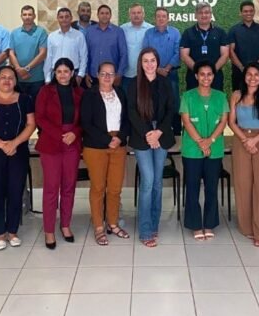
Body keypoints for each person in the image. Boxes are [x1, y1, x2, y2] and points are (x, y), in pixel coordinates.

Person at [0, 66, 36, 251]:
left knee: (15, 191)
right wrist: (3, 145)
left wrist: (14, 143)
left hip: (18, 152)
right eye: (3, 77)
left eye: (11, 77)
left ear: (15, 81)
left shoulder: (25, 100)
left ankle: (13, 231)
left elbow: (31, 124)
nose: (7, 81)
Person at [128, 48, 176, 247]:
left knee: (157, 182)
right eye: (145, 61)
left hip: (161, 135)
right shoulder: (134, 84)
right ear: (140, 63)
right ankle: (145, 230)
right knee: (147, 182)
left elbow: (171, 110)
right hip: (142, 136)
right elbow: (131, 111)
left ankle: (154, 224)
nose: (149, 64)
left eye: (152, 60)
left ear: (157, 62)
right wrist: (149, 133)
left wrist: (158, 132)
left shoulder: (166, 82)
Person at [35, 58, 84, 248]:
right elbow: (40, 117)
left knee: (69, 187)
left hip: (72, 142)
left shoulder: (79, 92)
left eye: (66, 71)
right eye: (59, 71)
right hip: (51, 142)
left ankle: (65, 225)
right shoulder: (45, 91)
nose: (63, 75)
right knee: (51, 188)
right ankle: (49, 230)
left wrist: (75, 133)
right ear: (54, 73)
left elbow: (84, 119)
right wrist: (59, 134)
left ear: (72, 73)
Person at [80, 61, 131, 246]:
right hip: (96, 146)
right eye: (104, 73)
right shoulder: (89, 94)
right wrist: (106, 140)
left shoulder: (120, 92)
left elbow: (127, 119)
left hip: (118, 145)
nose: (107, 77)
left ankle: (113, 223)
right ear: (97, 75)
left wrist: (120, 138)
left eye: (111, 74)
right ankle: (98, 227)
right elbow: (85, 123)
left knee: (115, 188)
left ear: (115, 76)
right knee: (98, 187)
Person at [228, 62, 259, 247]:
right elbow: (231, 122)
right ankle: (246, 227)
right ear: (244, 76)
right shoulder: (236, 95)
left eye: (256, 75)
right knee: (243, 184)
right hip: (241, 140)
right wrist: (245, 140)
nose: (253, 78)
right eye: (249, 74)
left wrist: (254, 140)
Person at [180, 61, 229, 240]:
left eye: (209, 74)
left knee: (211, 187)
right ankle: (194, 224)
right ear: (196, 76)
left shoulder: (221, 96)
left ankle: (209, 223)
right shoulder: (187, 96)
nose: (206, 77)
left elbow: (223, 121)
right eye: (202, 74)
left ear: (213, 77)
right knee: (192, 188)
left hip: (214, 149)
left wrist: (210, 141)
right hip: (192, 149)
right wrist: (201, 143)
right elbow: (186, 121)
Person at [143, 7, 181, 135]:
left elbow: (178, 52)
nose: (161, 18)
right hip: (152, 74)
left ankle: (176, 132)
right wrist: (157, 69)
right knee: (154, 102)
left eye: (163, 16)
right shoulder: (148, 33)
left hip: (171, 74)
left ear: (168, 18)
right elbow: (145, 52)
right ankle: (155, 132)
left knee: (173, 102)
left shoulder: (175, 33)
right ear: (155, 18)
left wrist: (167, 68)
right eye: (158, 16)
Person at [180, 1, 229, 91]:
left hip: (215, 77)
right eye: (200, 13)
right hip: (194, 77)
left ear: (211, 14)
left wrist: (211, 72)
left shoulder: (220, 32)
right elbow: (184, 55)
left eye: (206, 12)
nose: (204, 15)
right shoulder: (188, 33)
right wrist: (199, 72)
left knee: (216, 99)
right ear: (196, 15)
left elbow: (225, 55)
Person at [8, 5, 48, 101]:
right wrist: (19, 69)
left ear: (34, 16)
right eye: (24, 14)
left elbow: (43, 54)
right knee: (20, 106)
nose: (27, 17)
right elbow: (11, 53)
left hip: (37, 78)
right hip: (19, 78)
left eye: (30, 14)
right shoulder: (14, 33)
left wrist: (26, 69)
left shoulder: (41, 32)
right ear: (21, 16)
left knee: (36, 106)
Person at [228, 0, 259, 89]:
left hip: (257, 73)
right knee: (239, 96)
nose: (248, 13)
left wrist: (256, 67)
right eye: (245, 11)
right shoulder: (233, 30)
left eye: (251, 11)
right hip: (239, 72)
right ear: (240, 13)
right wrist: (241, 67)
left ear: (254, 12)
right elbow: (230, 51)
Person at [84, 4, 128, 87]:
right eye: (102, 13)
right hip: (94, 75)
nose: (104, 15)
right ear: (97, 15)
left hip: (112, 76)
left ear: (110, 15)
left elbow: (124, 54)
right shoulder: (90, 31)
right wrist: (86, 73)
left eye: (107, 13)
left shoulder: (118, 31)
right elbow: (86, 54)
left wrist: (119, 74)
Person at [44, 7, 88, 85]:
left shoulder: (79, 35)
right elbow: (48, 58)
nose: (64, 19)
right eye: (61, 17)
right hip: (56, 74)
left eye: (67, 17)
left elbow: (83, 56)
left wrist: (80, 75)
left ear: (71, 18)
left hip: (74, 74)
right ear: (57, 19)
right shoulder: (52, 36)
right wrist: (47, 77)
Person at [120, 3, 153, 93]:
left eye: (139, 12)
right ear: (129, 15)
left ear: (143, 14)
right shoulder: (122, 29)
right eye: (133, 13)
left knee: (145, 99)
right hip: (127, 74)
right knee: (127, 99)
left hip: (145, 73)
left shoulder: (151, 29)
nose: (136, 15)